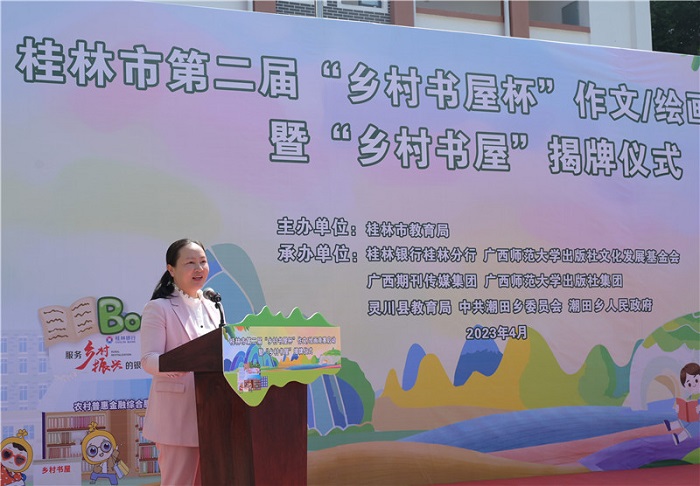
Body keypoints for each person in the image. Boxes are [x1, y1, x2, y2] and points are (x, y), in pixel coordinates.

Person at [140, 238, 223, 485]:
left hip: (213, 413)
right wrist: (178, 364)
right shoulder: (159, 308)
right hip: (176, 418)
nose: (199, 268)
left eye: (203, 262)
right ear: (171, 269)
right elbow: (148, 360)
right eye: (190, 263)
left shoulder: (214, 306)